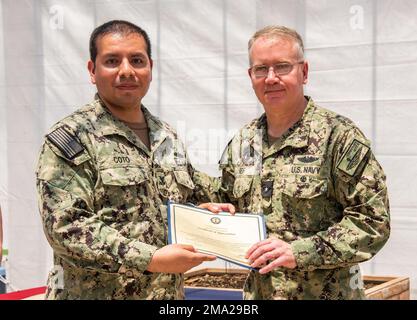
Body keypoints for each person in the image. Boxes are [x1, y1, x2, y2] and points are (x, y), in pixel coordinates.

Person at [35, 20, 231, 300]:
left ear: (150, 67)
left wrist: (202, 210)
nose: (126, 70)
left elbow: (181, 197)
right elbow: (66, 226)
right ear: (93, 71)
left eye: (137, 60)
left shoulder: (166, 136)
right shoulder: (72, 138)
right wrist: (151, 258)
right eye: (112, 61)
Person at [217, 26, 390, 299]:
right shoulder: (244, 141)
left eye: (282, 67)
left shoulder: (338, 137)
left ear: (304, 72)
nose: (271, 78)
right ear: (251, 76)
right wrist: (217, 213)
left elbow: (373, 222)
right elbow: (227, 201)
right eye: (261, 69)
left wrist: (298, 252)